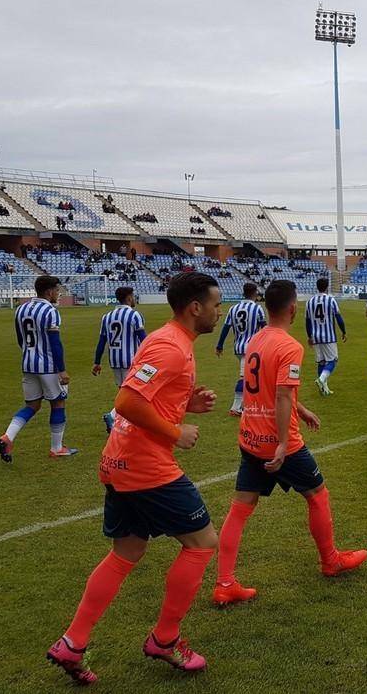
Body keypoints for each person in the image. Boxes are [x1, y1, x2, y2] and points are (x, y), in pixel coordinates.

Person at [47, 272, 222, 684]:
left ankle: (72, 644)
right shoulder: (172, 347)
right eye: (215, 304)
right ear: (195, 307)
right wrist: (175, 431)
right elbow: (125, 401)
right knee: (202, 543)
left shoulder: (168, 338)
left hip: (119, 461)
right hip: (145, 465)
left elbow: (148, 396)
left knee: (125, 553)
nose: (219, 311)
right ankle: (165, 639)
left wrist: (183, 406)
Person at [213, 280, 367, 606]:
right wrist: (283, 443)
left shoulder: (255, 340)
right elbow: (281, 393)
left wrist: (302, 408)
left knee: (240, 508)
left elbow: (271, 389)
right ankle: (331, 560)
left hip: (249, 437)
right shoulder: (289, 345)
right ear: (293, 308)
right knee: (317, 494)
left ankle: (224, 582)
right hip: (279, 442)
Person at [0, 275, 77, 462]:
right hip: (48, 366)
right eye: (57, 290)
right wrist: (62, 369)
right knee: (58, 403)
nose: (58, 294)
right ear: (49, 291)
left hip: (28, 364)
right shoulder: (50, 311)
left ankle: (7, 436)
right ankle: (56, 448)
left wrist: (29, 354)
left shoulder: (21, 309)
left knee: (32, 405)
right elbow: (55, 344)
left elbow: (20, 339)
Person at [92, 287, 147, 433]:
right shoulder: (135, 315)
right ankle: (112, 416)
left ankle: (123, 423)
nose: (134, 299)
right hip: (132, 361)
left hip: (115, 361)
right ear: (129, 298)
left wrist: (97, 362)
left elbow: (101, 341)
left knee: (125, 393)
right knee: (138, 393)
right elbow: (144, 340)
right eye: (133, 296)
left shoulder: (107, 316)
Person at [216, 282, 266, 416]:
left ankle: (252, 403)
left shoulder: (234, 308)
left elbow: (226, 327)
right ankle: (236, 407)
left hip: (238, 347)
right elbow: (264, 328)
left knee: (254, 375)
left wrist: (220, 345)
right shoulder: (257, 308)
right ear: (255, 293)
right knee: (245, 377)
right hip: (252, 348)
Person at [305, 277, 347, 396]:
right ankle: (321, 379)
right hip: (328, 336)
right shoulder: (331, 300)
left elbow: (307, 321)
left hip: (316, 336)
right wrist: (343, 331)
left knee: (321, 362)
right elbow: (338, 317)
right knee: (333, 361)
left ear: (316, 287)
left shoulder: (310, 302)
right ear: (327, 287)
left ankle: (324, 389)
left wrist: (309, 336)